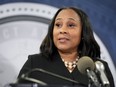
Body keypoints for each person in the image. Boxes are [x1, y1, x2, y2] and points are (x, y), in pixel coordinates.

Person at [17, 7, 114, 87]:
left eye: (71, 25)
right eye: (58, 25)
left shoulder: (99, 67)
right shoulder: (34, 63)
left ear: (83, 33)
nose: (62, 30)